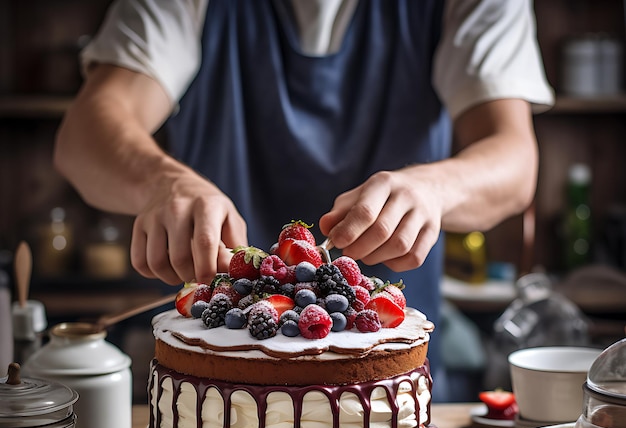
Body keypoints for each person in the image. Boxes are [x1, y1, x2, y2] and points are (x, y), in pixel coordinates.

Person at [53, 0, 554, 391]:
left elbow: (514, 160)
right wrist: (162, 182)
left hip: (383, 380)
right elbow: (83, 135)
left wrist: (434, 187)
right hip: (219, 357)